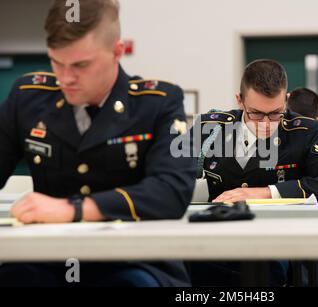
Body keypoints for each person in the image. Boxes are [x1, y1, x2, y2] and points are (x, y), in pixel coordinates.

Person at [0, 0, 196, 287]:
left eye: (80, 65)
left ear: (117, 51)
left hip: (135, 262)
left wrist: (74, 209)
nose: (66, 78)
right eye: (56, 62)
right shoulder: (28, 98)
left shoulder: (157, 103)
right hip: (46, 262)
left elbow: (172, 190)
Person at [188, 60, 318, 287]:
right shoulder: (210, 128)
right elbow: (169, 176)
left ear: (286, 100)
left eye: (275, 113)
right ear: (239, 100)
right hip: (213, 240)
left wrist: (267, 193)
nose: (266, 124)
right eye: (256, 114)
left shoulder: (303, 132)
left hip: (275, 244)